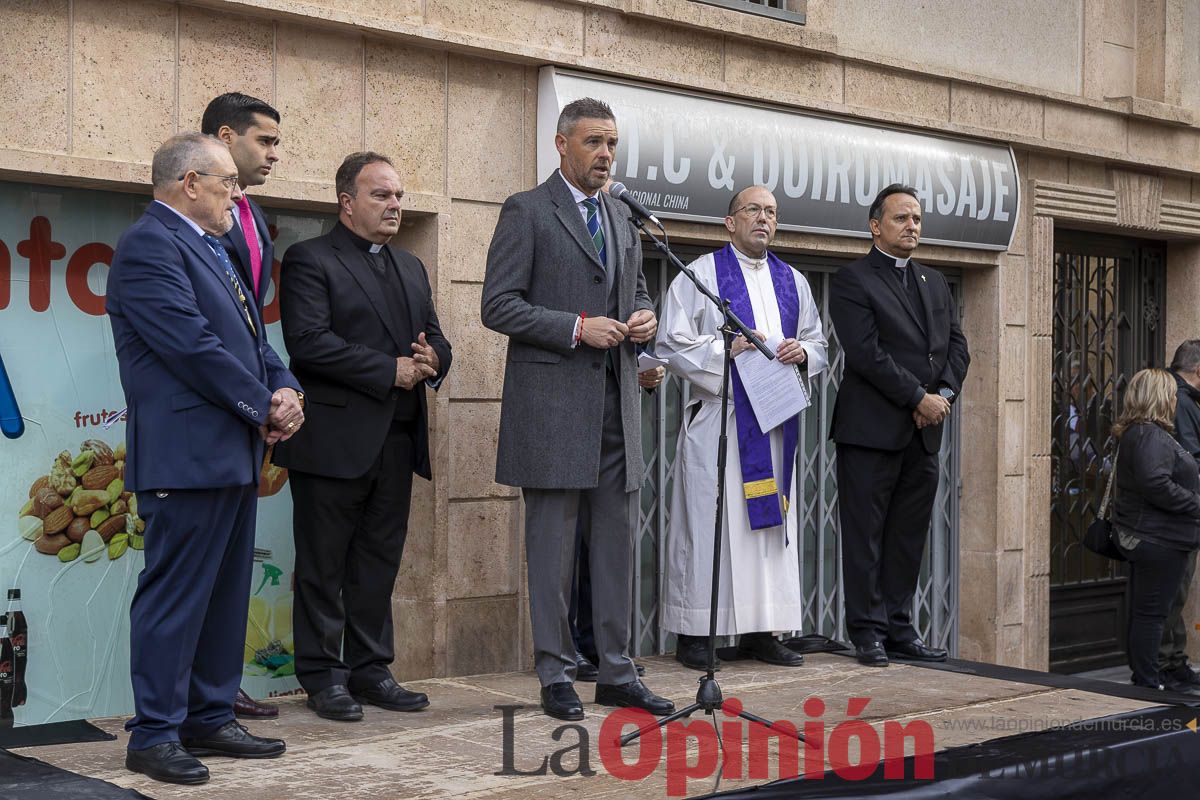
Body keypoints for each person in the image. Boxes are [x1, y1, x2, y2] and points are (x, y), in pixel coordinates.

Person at [108, 133, 302, 784]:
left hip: (230, 456)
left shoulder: (213, 249)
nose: (236, 194)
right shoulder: (147, 247)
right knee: (175, 599)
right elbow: (191, 349)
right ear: (190, 182)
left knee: (223, 597)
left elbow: (256, 341)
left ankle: (209, 717)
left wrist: (285, 388)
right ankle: (155, 734)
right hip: (185, 458)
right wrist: (263, 408)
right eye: (227, 184)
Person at [481, 97, 673, 722]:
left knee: (616, 546)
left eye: (612, 143)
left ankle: (616, 671)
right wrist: (575, 328)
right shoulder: (527, 211)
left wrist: (645, 318)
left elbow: (636, 289)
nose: (605, 155)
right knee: (553, 551)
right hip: (554, 407)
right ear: (561, 144)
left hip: (617, 406)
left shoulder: (622, 214)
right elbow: (498, 305)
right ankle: (554, 672)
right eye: (594, 142)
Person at [273, 152, 451, 722]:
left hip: (397, 440)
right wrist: (389, 369)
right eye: (381, 195)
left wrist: (433, 358)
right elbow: (307, 343)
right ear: (347, 202)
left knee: (378, 563)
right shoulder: (309, 259)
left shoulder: (411, 268)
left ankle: (371, 669)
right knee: (323, 568)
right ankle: (322, 677)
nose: (395, 205)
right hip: (332, 441)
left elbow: (438, 341)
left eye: (398, 196)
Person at [656, 185, 828, 671]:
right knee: (709, 525)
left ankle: (762, 629)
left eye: (771, 212)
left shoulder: (794, 281)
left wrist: (803, 354)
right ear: (729, 222)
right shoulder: (701, 275)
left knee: (767, 532)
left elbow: (819, 344)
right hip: (721, 424)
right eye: (752, 210)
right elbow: (671, 342)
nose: (763, 219)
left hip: (773, 425)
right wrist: (721, 352)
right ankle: (695, 632)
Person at [829, 183, 970, 668]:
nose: (912, 226)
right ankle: (866, 630)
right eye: (900, 219)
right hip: (871, 432)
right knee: (866, 534)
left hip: (923, 433)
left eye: (916, 219)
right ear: (875, 226)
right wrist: (917, 397)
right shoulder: (853, 281)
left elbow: (957, 347)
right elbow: (867, 354)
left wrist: (942, 397)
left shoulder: (933, 281)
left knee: (908, 536)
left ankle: (898, 627)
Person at [200, 90, 284, 720]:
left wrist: (284, 391)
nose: (275, 155)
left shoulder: (252, 217)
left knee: (231, 581)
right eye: (266, 141)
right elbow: (202, 340)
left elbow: (254, 327)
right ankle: (192, 705)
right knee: (192, 582)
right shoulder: (193, 228)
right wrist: (262, 402)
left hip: (248, 423)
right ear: (225, 138)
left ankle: (219, 690)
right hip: (207, 424)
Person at [569, 364, 663, 681]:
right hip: (564, 409)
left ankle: (596, 644)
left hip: (612, 410)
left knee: (603, 543)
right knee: (568, 544)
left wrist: (641, 365)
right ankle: (568, 649)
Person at [1111, 368, 1200, 689]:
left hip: (1155, 536)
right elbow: (1156, 483)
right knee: (1151, 614)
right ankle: (1148, 680)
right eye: (1173, 394)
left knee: (1146, 611)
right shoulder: (1149, 435)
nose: (1176, 400)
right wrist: (1195, 502)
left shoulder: (1146, 433)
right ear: (1161, 397)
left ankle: (1148, 675)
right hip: (1158, 538)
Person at [1161, 341, 1200, 691]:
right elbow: (1190, 459)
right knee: (1172, 592)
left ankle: (1173, 660)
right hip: (1182, 513)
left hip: (1179, 512)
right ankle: (1166, 664)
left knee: (1176, 591)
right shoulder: (1183, 401)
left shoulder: (1176, 396)